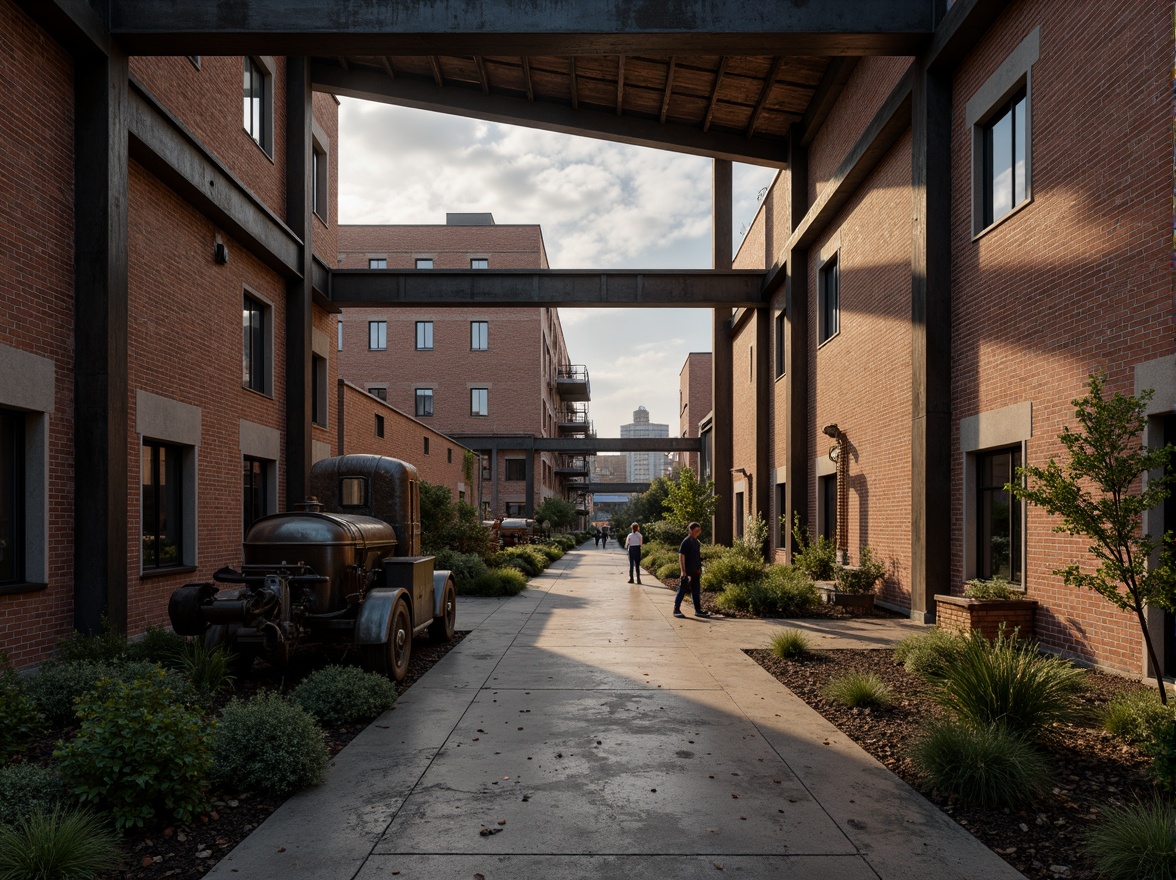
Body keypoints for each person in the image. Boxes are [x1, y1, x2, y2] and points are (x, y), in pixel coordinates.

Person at [674, 521, 708, 618]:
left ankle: (698, 610)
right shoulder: (686, 541)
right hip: (687, 571)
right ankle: (676, 609)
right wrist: (683, 571)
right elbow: (681, 556)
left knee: (696, 591)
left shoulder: (696, 542)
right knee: (682, 590)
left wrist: (699, 568)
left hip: (696, 571)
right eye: (696, 530)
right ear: (691, 530)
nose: (698, 532)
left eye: (699, 530)